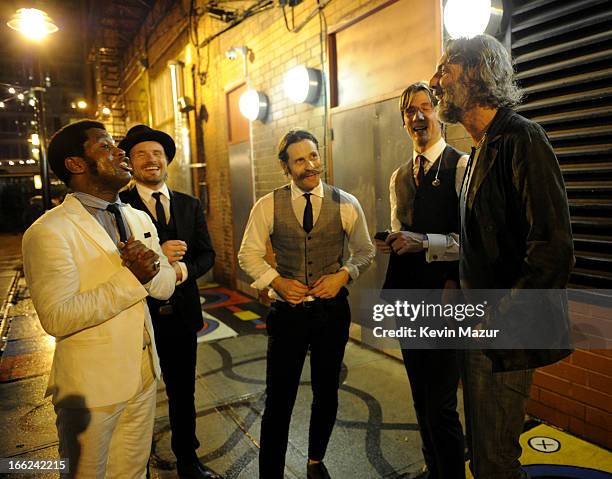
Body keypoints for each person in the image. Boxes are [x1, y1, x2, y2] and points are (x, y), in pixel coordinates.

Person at [429, 34, 574, 478]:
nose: (435, 82)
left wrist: (498, 317)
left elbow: (553, 249)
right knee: (486, 455)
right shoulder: (478, 151)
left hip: (504, 334)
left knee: (495, 462)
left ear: (475, 73)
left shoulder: (522, 138)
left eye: (445, 69)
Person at [22, 120, 176, 478]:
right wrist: (132, 277)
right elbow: (58, 317)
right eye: (106, 147)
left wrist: (152, 271)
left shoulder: (138, 218)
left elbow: (165, 286)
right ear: (76, 164)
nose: (121, 152)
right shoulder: (48, 231)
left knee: (134, 471)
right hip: (92, 388)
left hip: (144, 376)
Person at [238, 129, 375, 479]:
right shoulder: (268, 204)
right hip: (288, 315)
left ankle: (316, 460)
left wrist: (343, 276)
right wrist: (277, 282)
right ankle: (270, 473)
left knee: (326, 392)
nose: (310, 165)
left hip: (332, 314)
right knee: (279, 400)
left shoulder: (346, 202)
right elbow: (247, 255)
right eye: (300, 159)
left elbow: (365, 251)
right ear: (286, 167)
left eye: (313, 156)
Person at [376, 81, 467, 478]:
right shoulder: (399, 175)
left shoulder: (462, 166)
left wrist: (422, 242)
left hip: (446, 301)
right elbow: (403, 229)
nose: (417, 116)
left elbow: (473, 241)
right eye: (409, 111)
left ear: (438, 113)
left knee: (442, 404)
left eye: (425, 107)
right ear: (403, 120)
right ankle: (433, 469)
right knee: (418, 396)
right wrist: (394, 240)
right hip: (409, 300)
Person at [119, 125, 219, 479]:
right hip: (137, 316)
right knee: (135, 394)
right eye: (142, 154)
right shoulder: (118, 207)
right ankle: (134, 466)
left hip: (182, 314)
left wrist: (182, 272)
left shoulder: (190, 204)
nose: (152, 160)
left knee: (182, 391)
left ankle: (188, 461)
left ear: (167, 161)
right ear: (129, 163)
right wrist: (156, 256)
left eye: (158, 153)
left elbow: (208, 254)